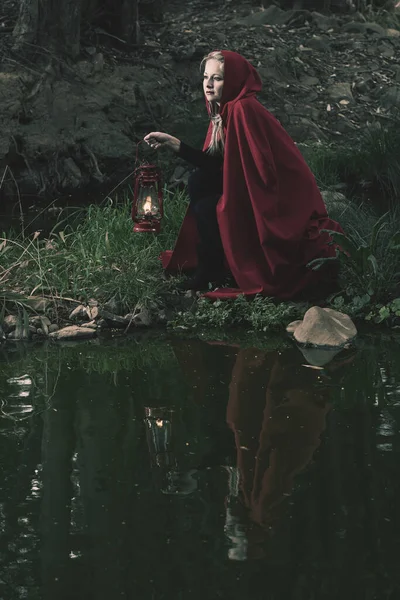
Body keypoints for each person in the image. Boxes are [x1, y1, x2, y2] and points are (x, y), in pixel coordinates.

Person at [144, 50, 343, 299]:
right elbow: (218, 165)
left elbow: (260, 172)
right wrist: (175, 144)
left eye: (217, 78)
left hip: (278, 196)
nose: (208, 84)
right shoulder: (224, 108)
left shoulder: (242, 108)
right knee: (200, 184)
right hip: (253, 185)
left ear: (234, 80)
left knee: (207, 200)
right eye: (206, 77)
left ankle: (214, 270)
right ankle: (213, 269)